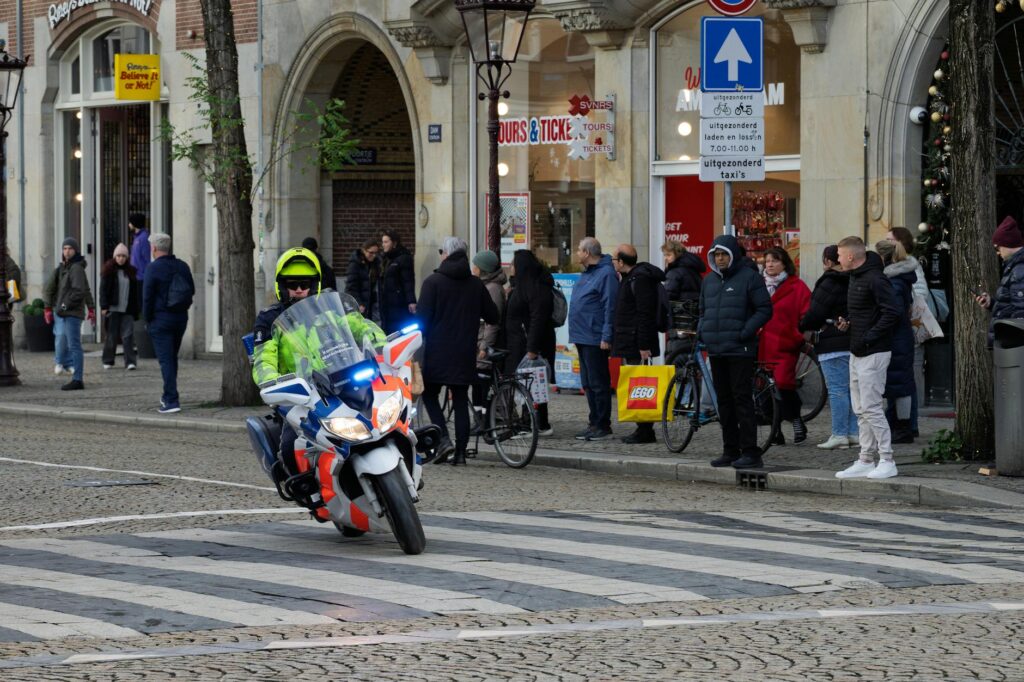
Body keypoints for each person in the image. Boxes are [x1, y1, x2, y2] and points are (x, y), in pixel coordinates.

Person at [252, 247, 385, 497]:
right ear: (282, 285)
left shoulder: (332, 308)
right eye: (293, 283)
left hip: (344, 381)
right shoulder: (270, 319)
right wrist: (270, 381)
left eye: (306, 283)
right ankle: (309, 492)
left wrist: (380, 345)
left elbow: (362, 326)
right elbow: (263, 358)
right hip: (303, 396)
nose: (300, 289)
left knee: (386, 414)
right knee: (290, 445)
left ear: (316, 283)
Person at [418, 237, 500, 465]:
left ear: (445, 254)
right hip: (464, 351)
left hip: (437, 351)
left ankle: (443, 439)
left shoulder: (432, 282)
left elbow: (421, 321)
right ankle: (461, 454)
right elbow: (493, 316)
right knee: (461, 400)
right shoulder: (476, 284)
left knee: (429, 394)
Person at [698, 235, 773, 469]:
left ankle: (751, 451)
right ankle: (730, 449)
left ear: (732, 256)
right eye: (716, 255)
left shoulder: (749, 278)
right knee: (724, 402)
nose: (720, 259)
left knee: (742, 400)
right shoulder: (708, 281)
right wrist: (703, 332)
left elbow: (764, 309)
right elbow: (702, 311)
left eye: (723, 254)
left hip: (740, 349)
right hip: (717, 349)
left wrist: (745, 331)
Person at [834, 236, 901, 480]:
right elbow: (865, 311)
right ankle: (865, 459)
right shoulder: (855, 276)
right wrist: (849, 324)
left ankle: (887, 459)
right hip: (858, 349)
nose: (837, 258)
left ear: (851, 256)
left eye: (840, 254)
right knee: (861, 409)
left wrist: (870, 336)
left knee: (871, 408)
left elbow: (892, 312)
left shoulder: (875, 278)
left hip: (874, 351)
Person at [799, 245, 858, 450]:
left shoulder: (829, 281)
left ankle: (840, 433)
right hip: (850, 341)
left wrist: (803, 325)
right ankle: (853, 432)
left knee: (837, 390)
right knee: (850, 389)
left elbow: (815, 311)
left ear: (828, 261)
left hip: (831, 342)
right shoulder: (854, 279)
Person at [611, 243, 666, 444]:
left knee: (641, 384)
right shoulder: (629, 278)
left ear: (622, 261)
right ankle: (642, 428)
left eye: (614, 259)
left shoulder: (639, 279)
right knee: (637, 384)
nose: (612, 263)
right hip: (630, 338)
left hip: (637, 341)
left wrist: (644, 345)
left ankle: (645, 429)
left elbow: (645, 314)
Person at [567, 237, 619, 441]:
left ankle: (602, 425)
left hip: (595, 337)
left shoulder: (605, 274)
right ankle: (594, 421)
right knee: (588, 382)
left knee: (598, 382)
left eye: (579, 249)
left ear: (587, 253)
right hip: (582, 335)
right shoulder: (588, 273)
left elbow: (610, 306)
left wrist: (606, 335)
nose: (577, 253)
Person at [759, 247, 811, 445]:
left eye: (774, 260)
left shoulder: (796, 286)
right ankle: (775, 430)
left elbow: (807, 312)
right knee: (763, 389)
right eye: (767, 261)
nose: (770, 264)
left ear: (784, 263)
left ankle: (796, 419)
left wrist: (797, 335)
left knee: (784, 384)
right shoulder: (758, 285)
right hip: (761, 344)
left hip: (784, 344)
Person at [143, 233, 195, 414]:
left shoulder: (153, 268)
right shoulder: (182, 266)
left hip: (160, 320)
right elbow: (192, 290)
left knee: (166, 361)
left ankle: (172, 400)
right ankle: (168, 395)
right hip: (180, 318)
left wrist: (147, 319)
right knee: (171, 359)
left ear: (154, 248)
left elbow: (147, 297)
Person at [505, 249, 555, 436]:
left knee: (532, 384)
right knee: (530, 384)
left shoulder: (538, 288)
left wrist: (532, 349)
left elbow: (537, 319)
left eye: (513, 264)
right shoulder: (522, 285)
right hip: (519, 342)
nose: (510, 267)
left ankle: (533, 423)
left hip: (529, 345)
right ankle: (535, 422)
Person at [887, 226, 929, 436]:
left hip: (908, 328)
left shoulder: (909, 266)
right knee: (902, 379)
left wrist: (908, 303)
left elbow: (921, 293)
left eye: (890, 240)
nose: (886, 243)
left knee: (905, 380)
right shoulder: (894, 267)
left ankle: (908, 425)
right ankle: (904, 423)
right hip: (903, 327)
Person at [876, 239, 917, 444]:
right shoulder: (901, 278)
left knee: (899, 384)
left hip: (895, 337)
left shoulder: (893, 281)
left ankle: (902, 427)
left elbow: (894, 312)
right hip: (900, 336)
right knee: (899, 383)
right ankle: (901, 425)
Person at [43, 237, 95, 390]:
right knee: (69, 343)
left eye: (70, 248)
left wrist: (64, 306)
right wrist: (91, 308)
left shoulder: (76, 268)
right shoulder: (67, 267)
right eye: (64, 248)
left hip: (72, 313)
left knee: (74, 346)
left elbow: (79, 291)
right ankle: (74, 375)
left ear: (76, 250)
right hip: (67, 312)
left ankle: (77, 379)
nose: (67, 251)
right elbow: (85, 289)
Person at [976, 216, 1024, 346]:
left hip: (1014, 346)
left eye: (997, 248)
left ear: (1008, 243)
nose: (997, 253)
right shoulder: (1014, 267)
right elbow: (1012, 305)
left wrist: (1009, 340)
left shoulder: (1019, 269)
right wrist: (991, 303)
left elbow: (1020, 313)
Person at [472, 249, 507, 424]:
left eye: (476, 266)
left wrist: (484, 346)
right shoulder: (485, 286)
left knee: (481, 386)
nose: (473, 269)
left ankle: (482, 421)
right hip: (480, 342)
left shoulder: (492, 289)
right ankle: (480, 419)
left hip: (484, 346)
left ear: (483, 269)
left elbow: (492, 322)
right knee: (478, 385)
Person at [662, 240, 705, 362]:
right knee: (691, 361)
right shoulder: (693, 269)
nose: (666, 258)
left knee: (677, 363)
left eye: (668, 255)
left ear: (677, 253)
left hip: (679, 324)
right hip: (694, 322)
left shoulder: (674, 273)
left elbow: (668, 299)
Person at [99, 243, 140, 370]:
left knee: (128, 336)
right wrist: (104, 306)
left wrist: (136, 309)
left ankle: (130, 362)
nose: (121, 258)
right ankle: (108, 360)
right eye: (118, 256)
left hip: (127, 309)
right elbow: (103, 290)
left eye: (123, 256)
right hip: (113, 309)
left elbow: (135, 293)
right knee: (111, 336)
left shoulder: (131, 272)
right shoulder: (108, 271)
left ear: (127, 257)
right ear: (114, 257)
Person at [378, 230, 417, 334]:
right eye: (383, 242)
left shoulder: (403, 258)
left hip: (398, 303)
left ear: (394, 243)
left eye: (386, 242)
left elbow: (408, 281)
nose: (383, 245)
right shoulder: (385, 259)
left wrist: (411, 301)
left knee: (398, 330)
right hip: (387, 303)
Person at [345, 238, 380, 319]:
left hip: (370, 304)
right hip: (360, 304)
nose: (374, 255)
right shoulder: (355, 264)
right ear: (364, 250)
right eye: (371, 252)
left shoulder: (375, 264)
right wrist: (359, 303)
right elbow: (351, 287)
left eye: (376, 253)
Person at [128, 212, 151, 282]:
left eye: (130, 222)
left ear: (135, 223)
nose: (129, 225)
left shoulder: (143, 238)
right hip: (136, 275)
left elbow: (147, 257)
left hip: (141, 277)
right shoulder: (137, 237)